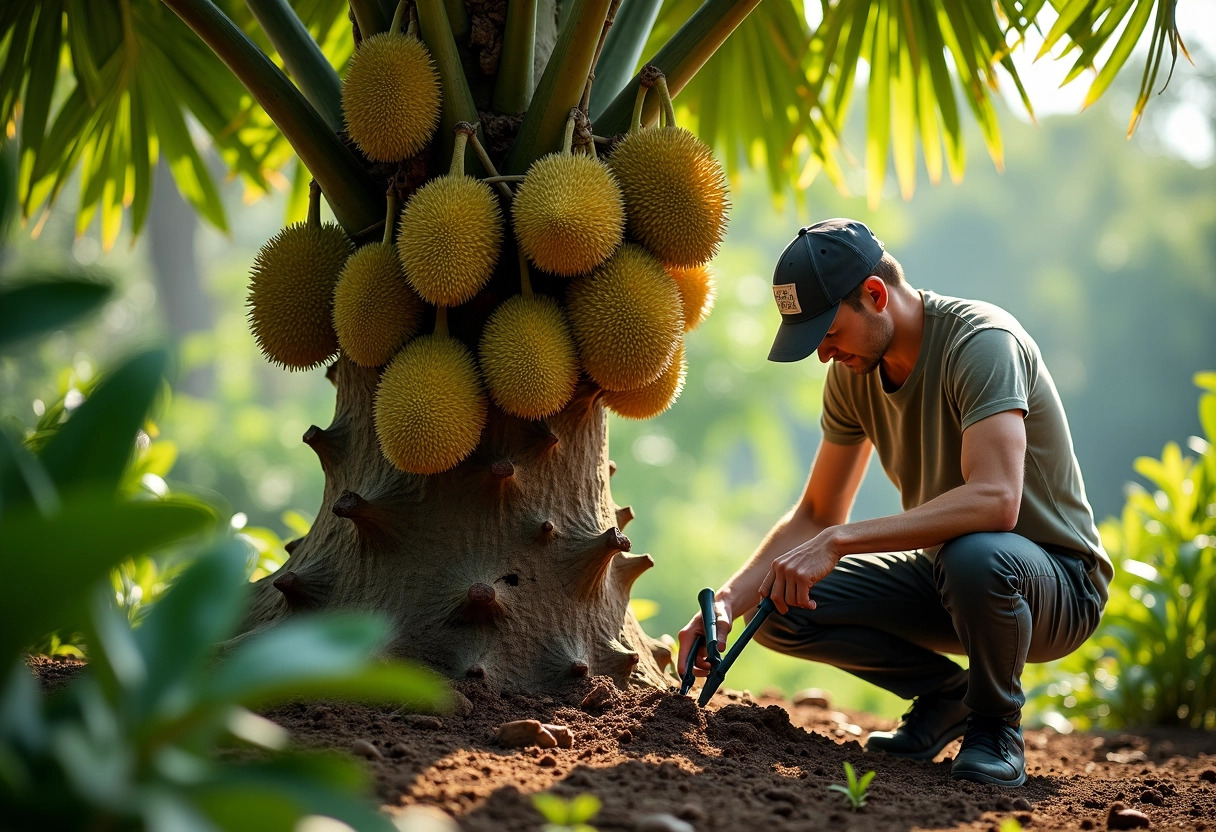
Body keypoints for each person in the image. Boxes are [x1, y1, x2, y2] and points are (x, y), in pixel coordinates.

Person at [676, 218, 1112, 788]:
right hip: (949, 578)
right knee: (777, 600)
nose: (823, 355)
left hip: (1052, 585)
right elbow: (816, 512)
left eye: (826, 334)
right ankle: (943, 695)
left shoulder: (981, 343)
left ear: (875, 296)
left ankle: (995, 727)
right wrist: (731, 601)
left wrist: (839, 541)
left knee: (977, 555)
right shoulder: (852, 373)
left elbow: (996, 500)